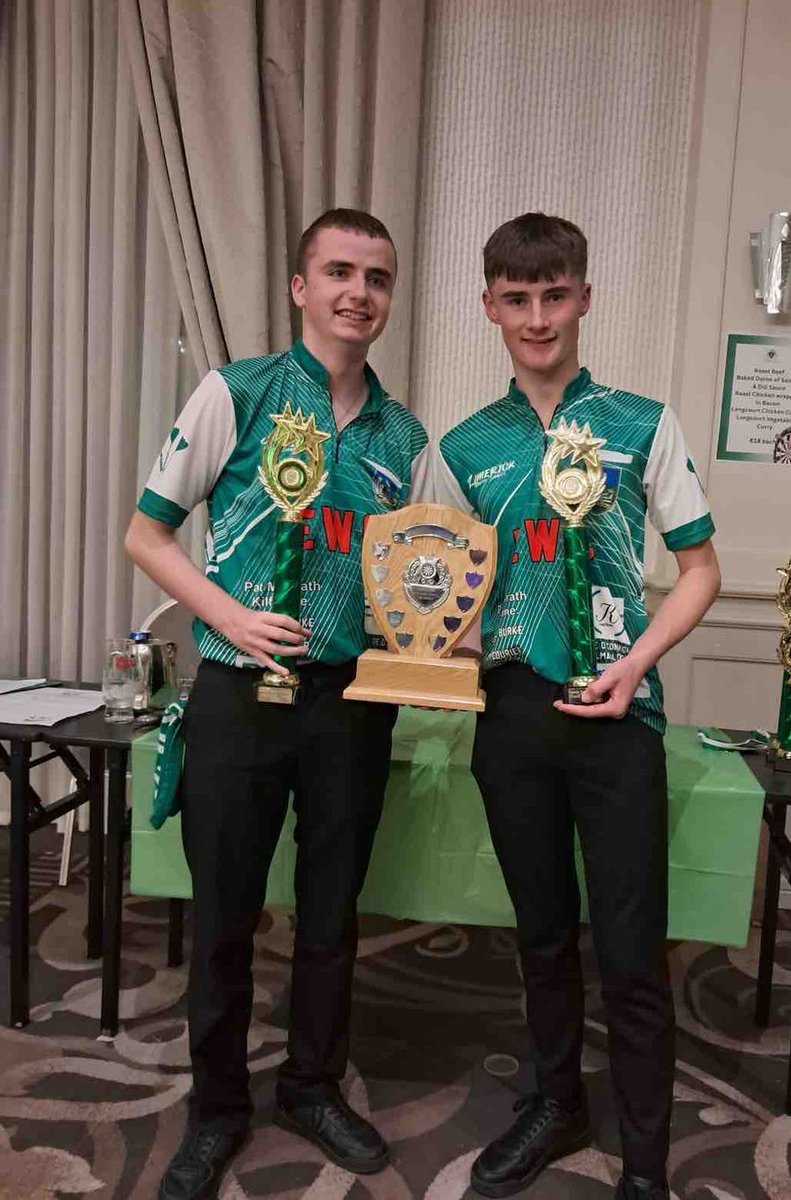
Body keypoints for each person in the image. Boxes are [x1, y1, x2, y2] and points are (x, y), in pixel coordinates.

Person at [125, 208, 428, 1200]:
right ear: (301, 287)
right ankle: (216, 1111)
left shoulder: (404, 437)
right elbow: (150, 534)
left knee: (333, 911)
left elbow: (421, 576)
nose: (358, 292)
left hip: (350, 705)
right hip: (237, 694)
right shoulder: (237, 392)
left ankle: (309, 1084)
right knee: (225, 914)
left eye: (376, 277)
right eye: (339, 271)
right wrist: (232, 618)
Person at [433, 213, 721, 1199]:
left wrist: (638, 662)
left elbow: (699, 570)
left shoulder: (643, 423)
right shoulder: (466, 446)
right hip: (511, 715)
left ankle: (646, 1161)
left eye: (555, 294)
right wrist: (438, 639)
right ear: (490, 309)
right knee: (542, 934)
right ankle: (558, 1103)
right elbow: (447, 584)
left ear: (585, 297)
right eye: (517, 299)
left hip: (618, 719)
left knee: (635, 951)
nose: (538, 315)